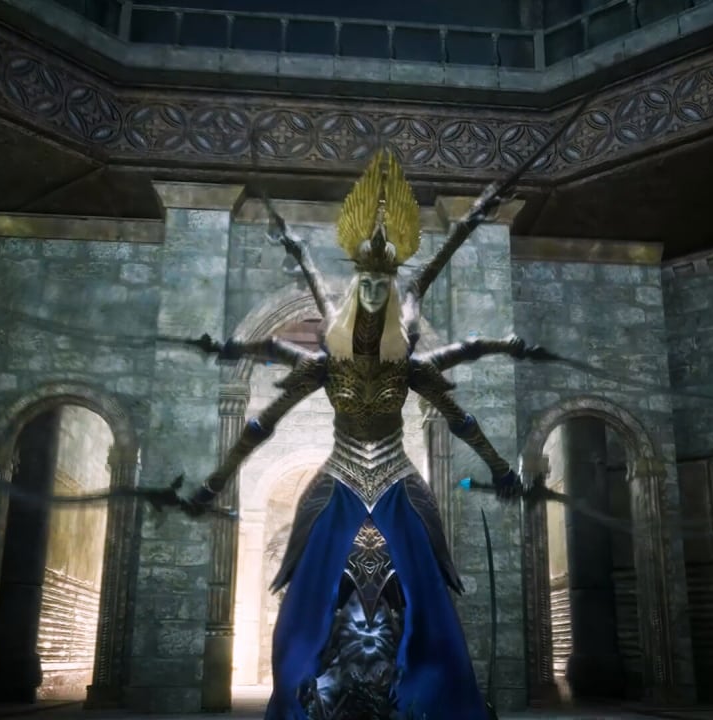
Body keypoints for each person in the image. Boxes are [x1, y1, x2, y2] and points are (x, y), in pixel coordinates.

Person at [163, 150, 541, 719]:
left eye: (383, 284)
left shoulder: (408, 366)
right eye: (367, 282)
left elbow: (462, 420)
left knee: (430, 585)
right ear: (358, 284)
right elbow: (264, 424)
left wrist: (501, 468)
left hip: (396, 475)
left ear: (389, 289)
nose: (373, 291)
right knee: (305, 594)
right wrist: (214, 483)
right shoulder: (325, 365)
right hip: (339, 476)